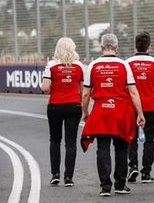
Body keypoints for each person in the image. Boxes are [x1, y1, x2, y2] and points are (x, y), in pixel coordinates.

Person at [81, 33, 146, 197]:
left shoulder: (93, 65)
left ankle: (105, 186)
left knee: (102, 148)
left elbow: (85, 94)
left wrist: (85, 111)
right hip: (121, 111)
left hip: (101, 110)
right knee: (122, 148)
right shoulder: (124, 65)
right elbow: (133, 92)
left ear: (102, 47)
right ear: (116, 48)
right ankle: (120, 184)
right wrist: (140, 113)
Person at [41, 37, 85, 187]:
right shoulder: (79, 66)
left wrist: (57, 86)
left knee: (55, 140)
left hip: (55, 105)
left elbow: (45, 87)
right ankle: (69, 177)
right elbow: (83, 90)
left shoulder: (51, 65)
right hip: (73, 105)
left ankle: (55, 174)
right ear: (73, 48)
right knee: (71, 142)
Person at [125, 32, 154, 184]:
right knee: (149, 140)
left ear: (135, 45)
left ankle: (133, 165)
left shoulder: (127, 63)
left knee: (131, 138)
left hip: (132, 106)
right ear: (149, 46)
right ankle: (146, 172)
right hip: (151, 106)